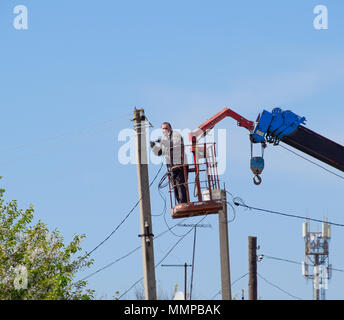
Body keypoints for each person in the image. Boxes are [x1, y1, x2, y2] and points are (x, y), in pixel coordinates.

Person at [150, 122, 188, 204]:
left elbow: (176, 145)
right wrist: (153, 147)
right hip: (171, 166)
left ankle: (184, 203)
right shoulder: (164, 138)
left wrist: (163, 142)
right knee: (174, 185)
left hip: (180, 164)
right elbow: (159, 153)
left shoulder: (176, 135)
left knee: (180, 184)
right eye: (163, 128)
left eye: (166, 128)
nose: (164, 130)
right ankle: (180, 203)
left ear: (170, 128)